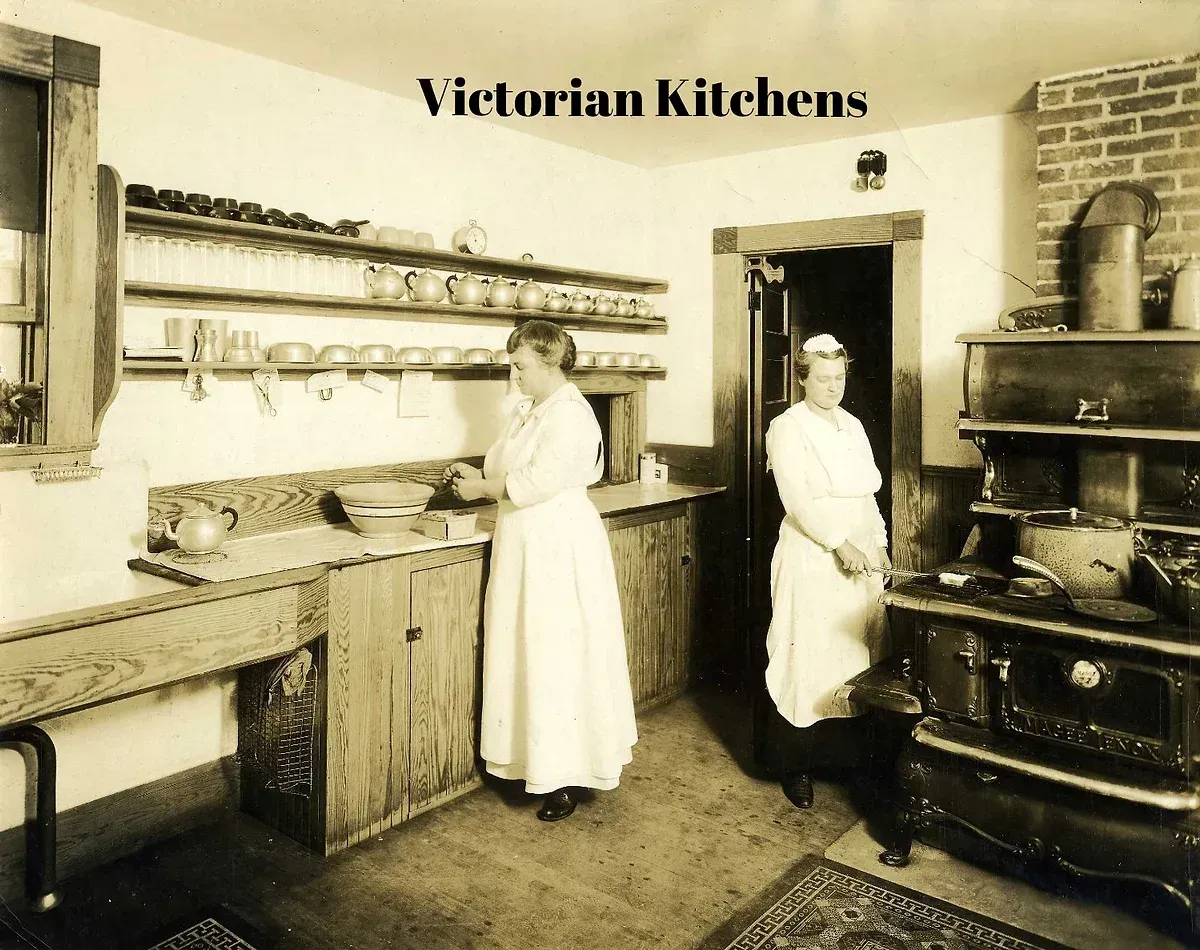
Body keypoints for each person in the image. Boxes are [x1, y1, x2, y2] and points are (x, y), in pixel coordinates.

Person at [445, 320, 638, 822]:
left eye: (521, 366)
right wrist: (479, 478)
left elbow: (539, 480)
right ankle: (530, 761)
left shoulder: (572, 416)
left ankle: (566, 776)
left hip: (558, 544)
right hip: (524, 540)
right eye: (513, 365)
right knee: (526, 649)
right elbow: (508, 469)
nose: (514, 376)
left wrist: (485, 490)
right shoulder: (529, 410)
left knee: (558, 655)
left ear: (551, 362)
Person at [759, 332, 891, 809]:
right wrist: (839, 544)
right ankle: (796, 767)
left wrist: (877, 542)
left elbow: (866, 496)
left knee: (855, 655)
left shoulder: (852, 425)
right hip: (813, 558)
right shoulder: (786, 427)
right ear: (802, 380)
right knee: (807, 657)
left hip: (860, 556)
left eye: (840, 378)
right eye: (823, 379)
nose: (834, 388)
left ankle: (846, 762)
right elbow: (796, 499)